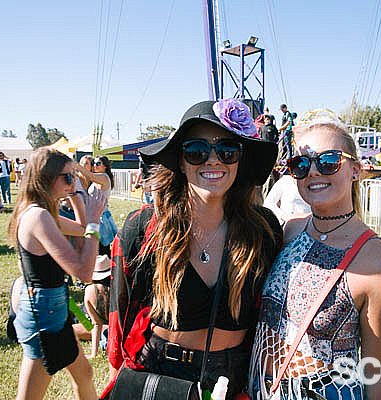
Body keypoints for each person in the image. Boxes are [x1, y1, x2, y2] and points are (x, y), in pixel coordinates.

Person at [101, 98, 283, 400]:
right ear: (181, 162)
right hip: (160, 374)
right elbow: (120, 320)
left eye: (227, 150)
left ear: (240, 160)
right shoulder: (145, 228)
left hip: (232, 379)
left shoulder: (264, 230)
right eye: (196, 151)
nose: (213, 160)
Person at [249, 110, 381, 400]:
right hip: (260, 387)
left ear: (355, 170)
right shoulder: (289, 231)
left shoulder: (380, 266)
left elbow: (378, 372)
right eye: (301, 164)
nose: (313, 171)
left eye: (329, 161)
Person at [9, 147, 105, 400]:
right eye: (67, 177)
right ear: (46, 177)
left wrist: (76, 197)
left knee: (84, 374)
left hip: (55, 306)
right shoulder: (38, 216)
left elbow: (81, 229)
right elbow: (84, 272)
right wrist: (94, 222)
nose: (73, 182)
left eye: (74, 177)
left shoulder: (42, 212)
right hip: (43, 314)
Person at [75, 155, 117, 257]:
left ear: (105, 166)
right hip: (96, 215)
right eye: (93, 163)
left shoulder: (104, 177)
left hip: (101, 217)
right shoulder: (98, 178)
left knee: (102, 250)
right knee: (97, 248)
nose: (95, 166)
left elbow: (90, 176)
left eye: (98, 164)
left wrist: (75, 165)